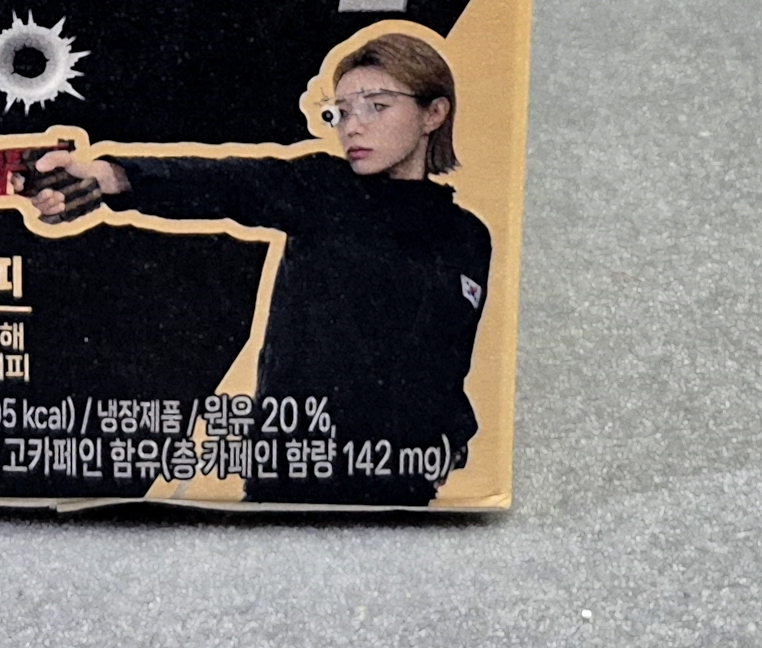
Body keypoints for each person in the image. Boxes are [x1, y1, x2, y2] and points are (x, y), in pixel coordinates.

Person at [30, 33, 490, 506]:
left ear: (434, 113)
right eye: (342, 112)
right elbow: (226, 183)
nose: (352, 127)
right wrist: (110, 176)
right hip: (297, 480)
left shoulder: (469, 237)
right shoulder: (321, 189)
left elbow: (450, 356)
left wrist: (451, 439)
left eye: (376, 106)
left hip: (404, 488)